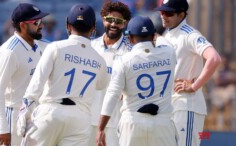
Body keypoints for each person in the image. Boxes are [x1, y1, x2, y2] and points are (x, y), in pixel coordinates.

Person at [17, 3, 108, 146]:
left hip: (50, 113)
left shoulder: (55, 48)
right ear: (93, 28)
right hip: (80, 119)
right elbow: (102, 84)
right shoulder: (100, 60)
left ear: (68, 25)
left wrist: (25, 111)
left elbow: (37, 83)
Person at [96, 15, 177, 146]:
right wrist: (155, 34)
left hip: (133, 123)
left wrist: (100, 128)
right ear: (153, 36)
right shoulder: (169, 52)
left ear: (130, 38)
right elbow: (165, 43)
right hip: (163, 123)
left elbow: (113, 94)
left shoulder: (123, 60)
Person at [154, 0, 222, 146]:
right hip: (170, 106)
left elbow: (214, 58)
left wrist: (194, 86)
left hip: (186, 105)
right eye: (162, 12)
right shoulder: (166, 36)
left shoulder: (190, 34)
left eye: (169, 13)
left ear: (181, 14)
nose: (163, 16)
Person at [0, 3, 49, 146]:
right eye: (36, 22)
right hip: (15, 117)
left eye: (41, 21)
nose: (41, 25)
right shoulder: (9, 51)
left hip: (37, 116)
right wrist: (3, 129)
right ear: (23, 25)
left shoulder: (42, 45)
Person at [89, 1, 132, 146]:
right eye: (109, 20)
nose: (113, 24)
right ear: (103, 19)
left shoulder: (130, 52)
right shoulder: (91, 46)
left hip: (114, 122)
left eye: (118, 21)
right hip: (87, 119)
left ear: (124, 24)